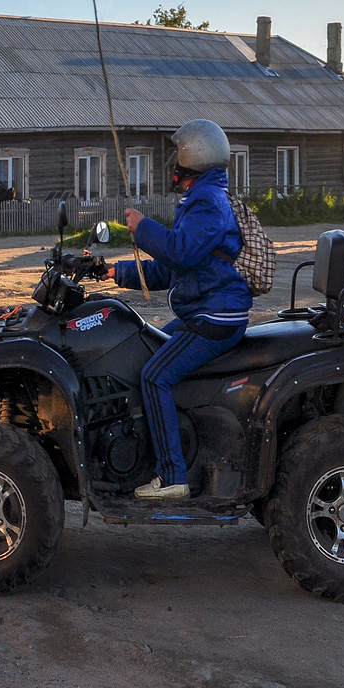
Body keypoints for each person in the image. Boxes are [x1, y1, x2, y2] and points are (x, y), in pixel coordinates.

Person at [108, 119, 252, 501]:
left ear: (194, 156)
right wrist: (112, 271)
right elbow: (171, 267)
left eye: (178, 153)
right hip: (202, 312)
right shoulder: (200, 198)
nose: (173, 161)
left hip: (215, 317)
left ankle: (173, 476)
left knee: (154, 375)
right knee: (145, 348)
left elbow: (179, 251)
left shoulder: (207, 202)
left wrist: (142, 227)